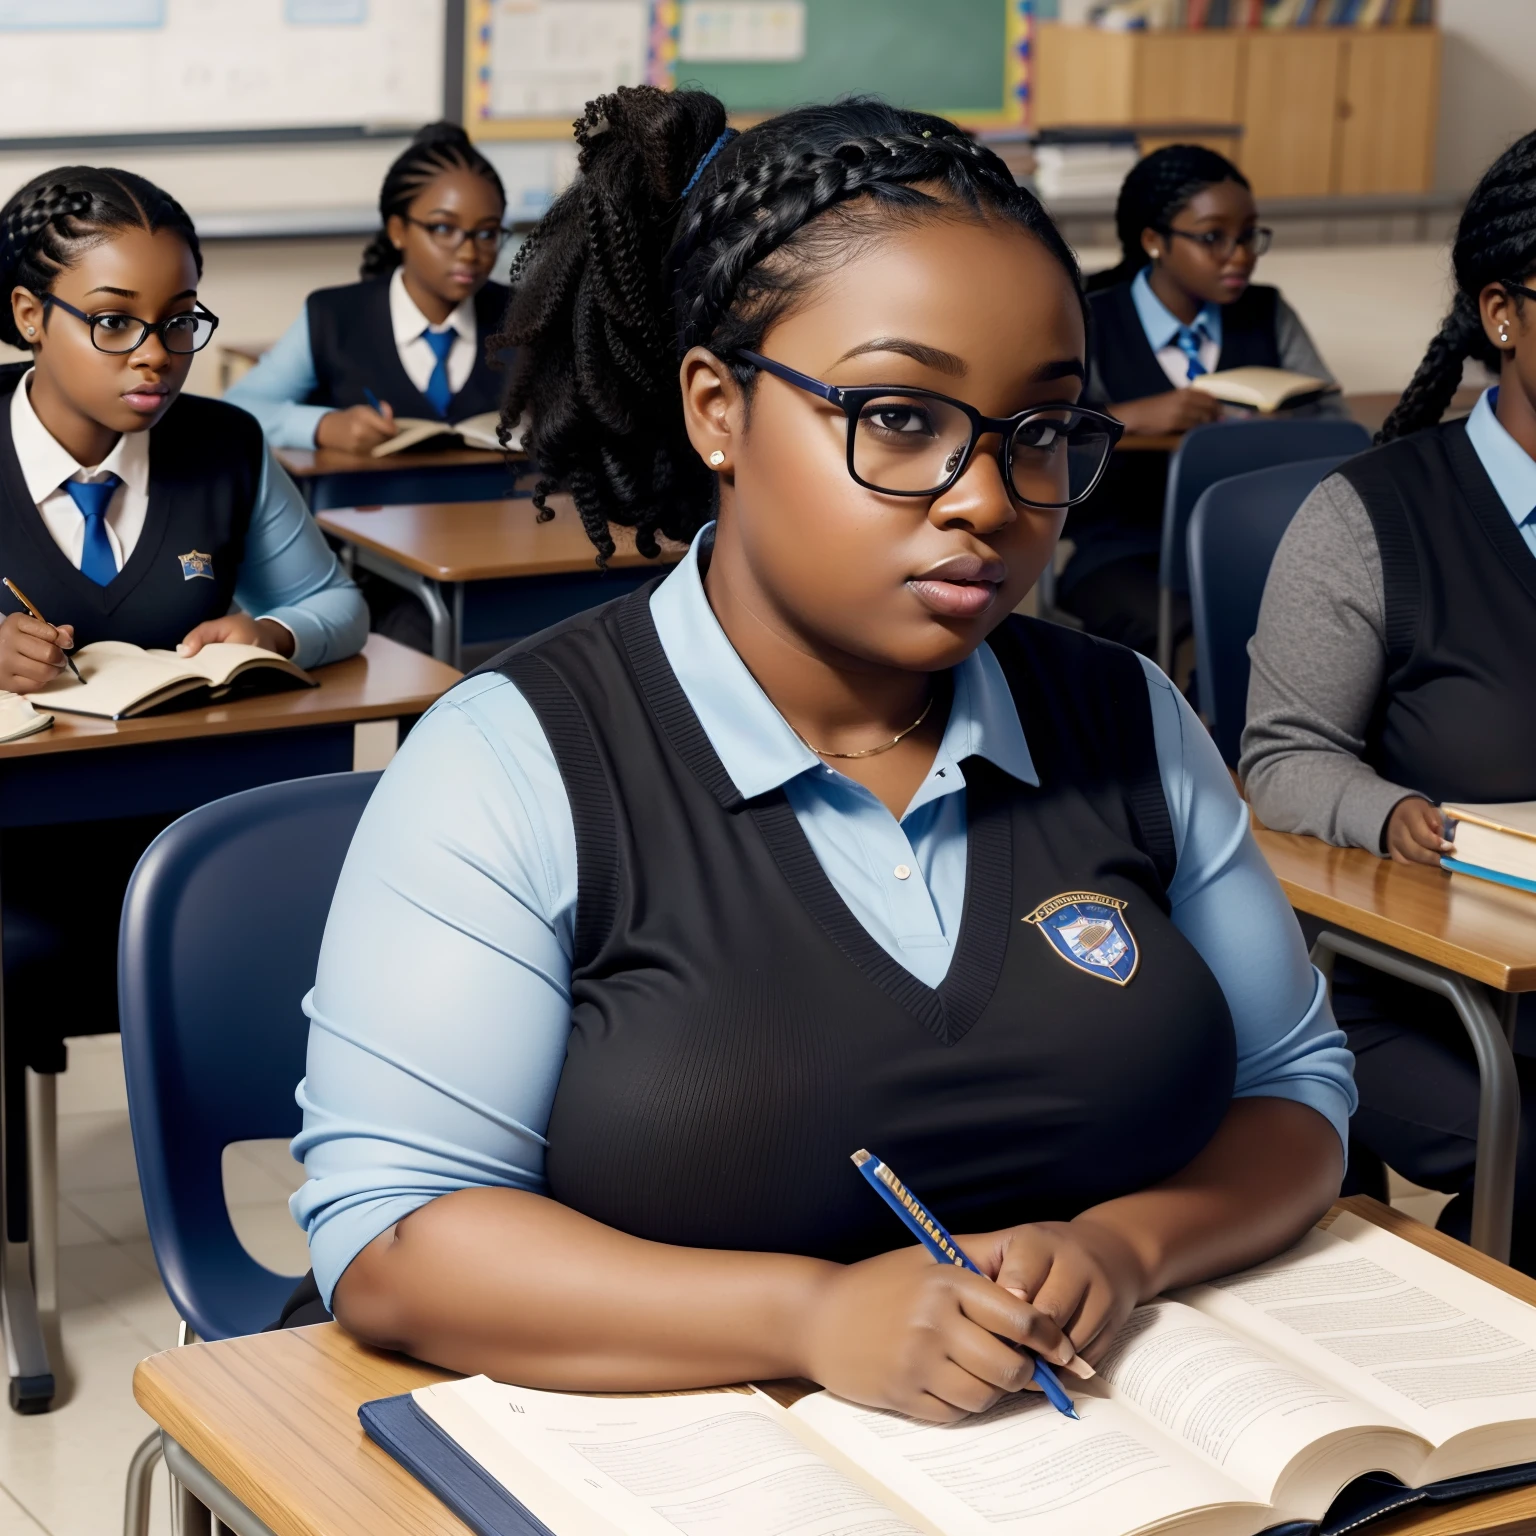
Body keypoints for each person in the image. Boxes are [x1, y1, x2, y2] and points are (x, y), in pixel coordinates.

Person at [287, 89, 1354, 1421]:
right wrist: (812, 1316)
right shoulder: (515, 761)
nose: (986, 499)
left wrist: (1126, 1247)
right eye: (901, 418)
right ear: (717, 408)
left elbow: (1295, 1088)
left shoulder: (1128, 716)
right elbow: (393, 1238)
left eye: (1040, 430)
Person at [0, 165, 367, 1126]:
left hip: (180, 832)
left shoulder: (227, 444)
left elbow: (337, 603)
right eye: (114, 321)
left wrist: (271, 629)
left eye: (180, 320)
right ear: (30, 315)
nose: (156, 355)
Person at [1243, 129, 1536, 1272]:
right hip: (1426, 995)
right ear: (1503, 314)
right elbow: (1281, 758)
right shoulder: (1370, 518)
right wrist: (1389, 815)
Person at [1060, 145, 1339, 658]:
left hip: (1256, 545)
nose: (1241, 255)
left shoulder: (1268, 313)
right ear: (1154, 240)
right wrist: (1124, 419)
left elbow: (1331, 421)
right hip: (1122, 551)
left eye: (1250, 235)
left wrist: (1280, 423)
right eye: (1214, 238)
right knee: (1201, 642)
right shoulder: (1088, 316)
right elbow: (1041, 438)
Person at [225, 122, 510, 454]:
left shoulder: (527, 317)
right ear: (398, 230)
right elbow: (238, 410)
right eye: (444, 228)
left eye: (488, 233)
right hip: (364, 504)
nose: (469, 253)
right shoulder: (332, 317)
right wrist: (323, 426)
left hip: (500, 505)